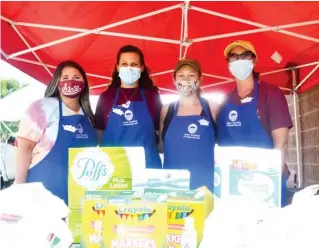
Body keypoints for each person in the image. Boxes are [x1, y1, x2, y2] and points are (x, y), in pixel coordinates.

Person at [216, 40, 293, 207]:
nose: (239, 60)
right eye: (234, 57)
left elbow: (281, 142)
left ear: (254, 61)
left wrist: (271, 179)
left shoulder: (270, 94)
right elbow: (220, 146)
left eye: (245, 56)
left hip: (265, 183)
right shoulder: (225, 102)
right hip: (234, 184)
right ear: (228, 64)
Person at [15, 61, 98, 204]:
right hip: (45, 190)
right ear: (56, 82)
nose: (70, 81)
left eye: (76, 77)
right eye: (64, 77)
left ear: (84, 82)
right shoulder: (43, 107)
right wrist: (19, 187)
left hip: (80, 194)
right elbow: (24, 148)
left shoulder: (88, 116)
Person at [95, 45, 162, 169]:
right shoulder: (106, 97)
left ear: (141, 68)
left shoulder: (152, 96)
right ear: (117, 67)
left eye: (134, 64)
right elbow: (99, 135)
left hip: (146, 167)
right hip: (113, 168)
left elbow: (160, 133)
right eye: (124, 64)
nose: (129, 68)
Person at [159, 59, 218, 192]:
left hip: (205, 187)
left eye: (191, 75)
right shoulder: (166, 110)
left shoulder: (212, 108)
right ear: (174, 80)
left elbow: (222, 144)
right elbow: (161, 147)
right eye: (181, 75)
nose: (186, 79)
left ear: (200, 79)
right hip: (172, 186)